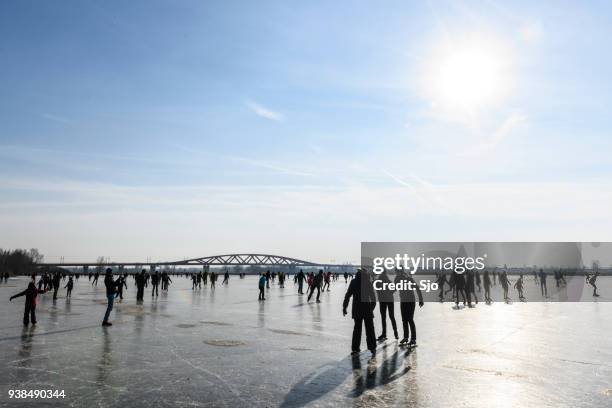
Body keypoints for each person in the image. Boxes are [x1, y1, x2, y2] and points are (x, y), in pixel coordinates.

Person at [343, 269, 377, 356]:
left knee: (357, 329)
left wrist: (344, 307)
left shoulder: (354, 282)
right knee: (370, 329)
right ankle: (372, 347)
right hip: (367, 309)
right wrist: (371, 308)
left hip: (357, 309)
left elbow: (348, 295)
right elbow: (373, 298)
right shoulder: (368, 282)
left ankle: (355, 348)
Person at [395, 268, 423, 347]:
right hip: (403, 301)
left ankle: (413, 339)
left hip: (410, 301)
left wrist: (421, 300)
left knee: (410, 319)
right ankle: (406, 337)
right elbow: (394, 288)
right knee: (404, 320)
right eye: (396, 272)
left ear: (401, 272)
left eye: (397, 272)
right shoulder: (397, 279)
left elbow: (417, 288)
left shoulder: (409, 279)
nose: (396, 273)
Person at [376, 270, 398, 341]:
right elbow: (395, 288)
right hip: (390, 300)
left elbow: (377, 289)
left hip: (382, 301)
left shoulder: (378, 281)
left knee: (383, 317)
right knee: (392, 316)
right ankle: (396, 333)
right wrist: (390, 293)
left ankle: (384, 334)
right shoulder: (388, 281)